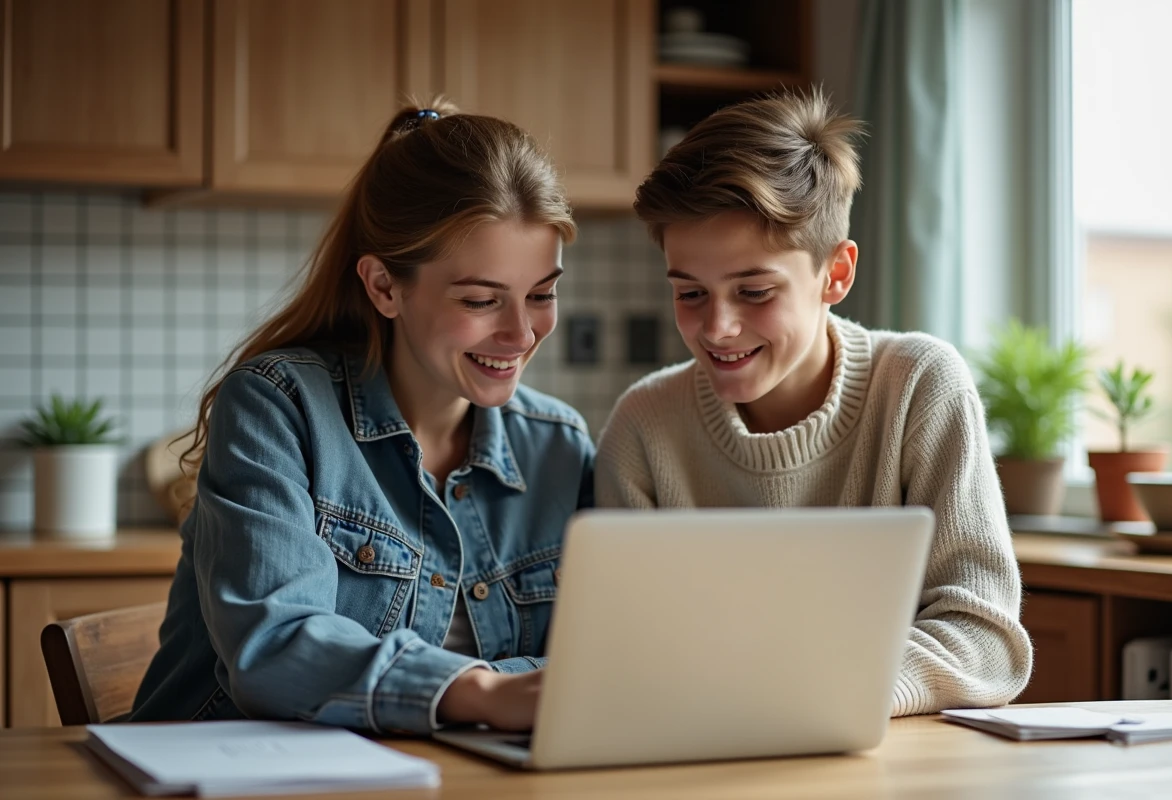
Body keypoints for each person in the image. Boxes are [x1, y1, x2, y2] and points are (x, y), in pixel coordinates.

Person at [131, 100, 593, 734]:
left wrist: (506, 693)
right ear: (384, 286)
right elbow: (275, 647)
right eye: (480, 300)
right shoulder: (277, 407)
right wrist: (484, 692)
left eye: (542, 294)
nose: (521, 333)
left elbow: (603, 660)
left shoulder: (560, 445)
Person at [595, 90, 1032, 716]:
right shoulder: (643, 427)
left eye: (754, 291)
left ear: (836, 273)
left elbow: (985, 640)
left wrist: (815, 691)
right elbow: (627, 650)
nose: (717, 327)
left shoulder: (919, 386)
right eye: (690, 293)